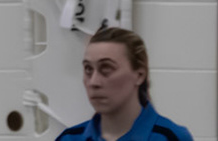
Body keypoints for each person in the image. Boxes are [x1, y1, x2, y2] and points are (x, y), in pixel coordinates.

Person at [59, 26, 192, 141]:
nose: (94, 82)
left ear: (139, 75)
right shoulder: (69, 138)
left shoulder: (171, 137)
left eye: (106, 68)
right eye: (88, 69)